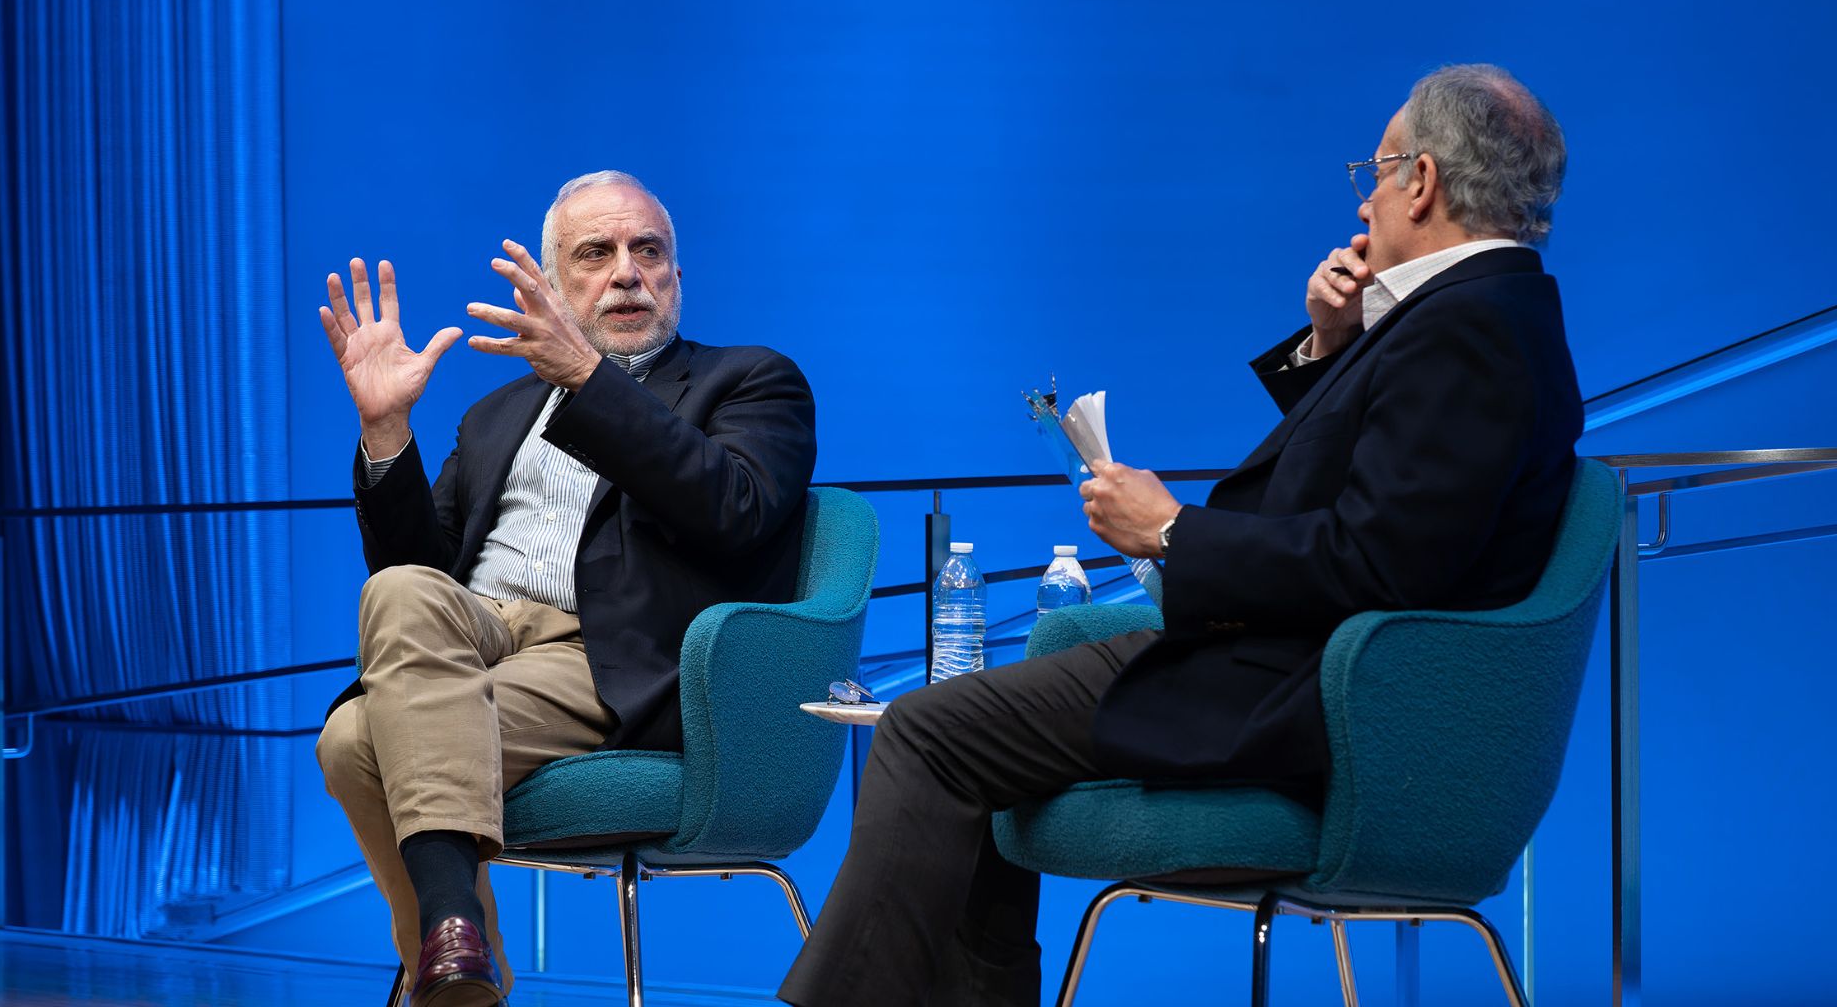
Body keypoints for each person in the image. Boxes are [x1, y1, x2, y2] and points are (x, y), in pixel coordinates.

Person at [779, 63, 1582, 1007]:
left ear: (1423, 180)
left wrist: (1171, 531)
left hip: (1304, 691)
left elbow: (1379, 562)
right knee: (970, 742)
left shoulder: (1468, 329)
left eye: (1376, 168)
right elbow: (1365, 482)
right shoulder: (1475, 315)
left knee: (928, 733)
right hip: (1290, 663)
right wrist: (1330, 345)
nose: (1366, 195)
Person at [313, 171, 817, 1007]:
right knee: (402, 591)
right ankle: (459, 938)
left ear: (678, 278)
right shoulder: (496, 415)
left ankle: (452, 950)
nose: (627, 272)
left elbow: (734, 511)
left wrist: (591, 382)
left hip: (606, 659)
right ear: (551, 283)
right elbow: (416, 572)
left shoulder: (750, 381)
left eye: (647, 251)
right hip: (471, 634)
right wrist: (385, 431)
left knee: (350, 742)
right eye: (597, 253)